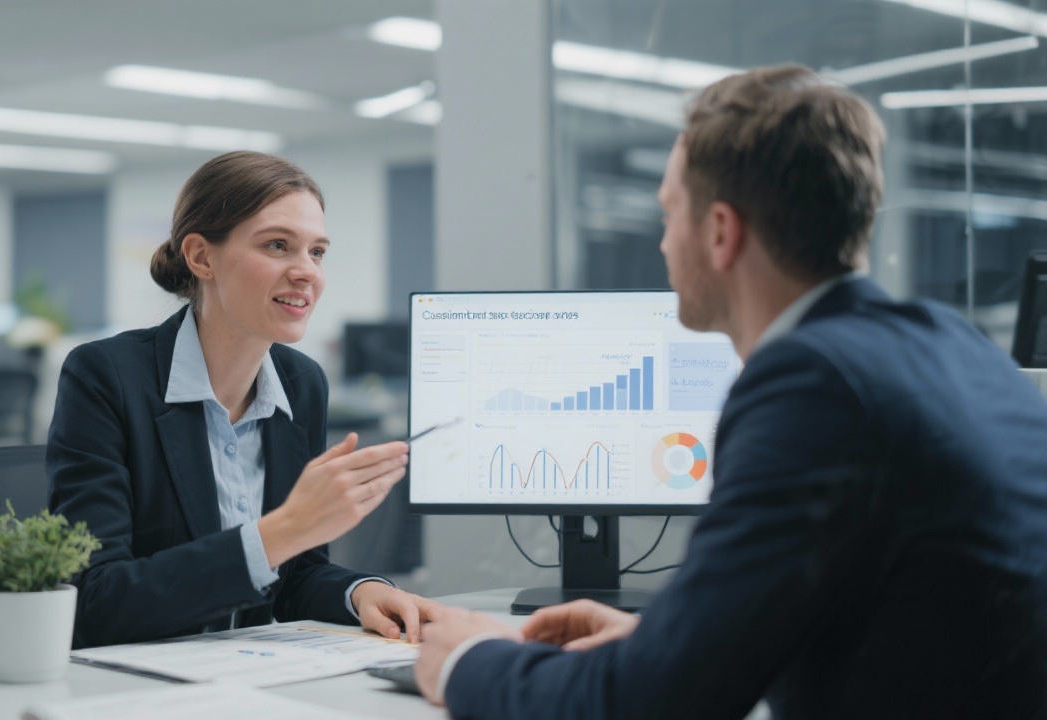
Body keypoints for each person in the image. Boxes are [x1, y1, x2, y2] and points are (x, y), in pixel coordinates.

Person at [416, 65, 1047, 719]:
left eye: (669, 214)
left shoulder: (813, 383)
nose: (663, 243)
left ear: (721, 231)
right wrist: (666, 641)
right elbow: (900, 629)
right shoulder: (952, 343)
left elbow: (645, 708)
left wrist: (466, 661)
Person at [47, 151, 437, 649]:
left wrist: (360, 592)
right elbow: (97, 602)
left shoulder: (302, 384)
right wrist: (285, 529)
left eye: (317, 252)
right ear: (201, 257)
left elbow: (293, 577)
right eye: (277, 245)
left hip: (247, 671)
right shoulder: (107, 377)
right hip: (141, 679)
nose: (307, 272)